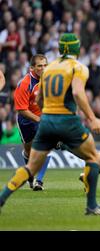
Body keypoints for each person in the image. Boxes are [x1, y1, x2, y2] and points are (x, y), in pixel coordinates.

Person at [0, 33, 100, 215]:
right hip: (66, 120)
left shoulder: (49, 70)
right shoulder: (78, 67)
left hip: (47, 121)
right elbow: (77, 93)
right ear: (78, 49)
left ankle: (3, 197)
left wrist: (47, 112)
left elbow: (39, 98)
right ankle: (91, 206)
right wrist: (92, 118)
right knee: (92, 157)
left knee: (30, 167)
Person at [13, 54, 50, 191]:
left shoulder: (50, 80)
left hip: (43, 117)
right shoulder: (24, 83)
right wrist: (38, 119)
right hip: (26, 120)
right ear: (32, 67)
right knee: (28, 150)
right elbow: (21, 109)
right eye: (39, 66)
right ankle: (30, 177)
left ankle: (38, 181)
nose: (43, 68)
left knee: (46, 147)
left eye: (45, 65)